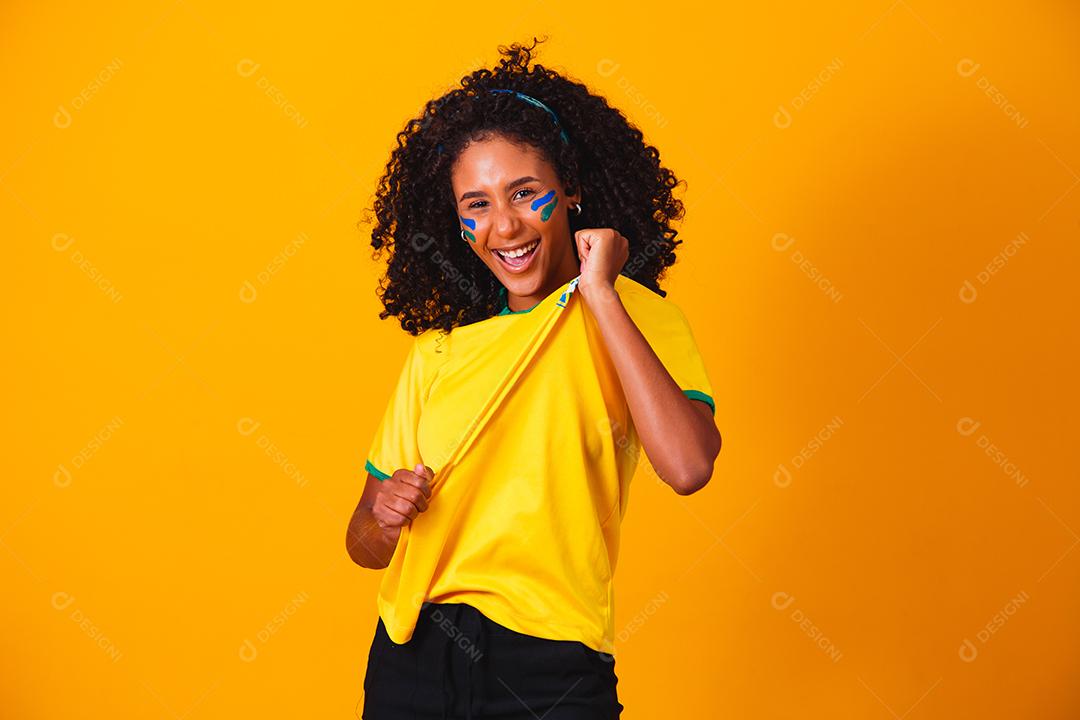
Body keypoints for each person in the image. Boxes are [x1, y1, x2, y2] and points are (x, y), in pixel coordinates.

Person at [346, 37, 722, 720]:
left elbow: (690, 464)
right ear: (457, 222)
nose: (506, 225)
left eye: (526, 193)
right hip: (410, 661)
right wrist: (385, 516)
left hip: (549, 663)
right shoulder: (440, 354)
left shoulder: (635, 318)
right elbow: (363, 544)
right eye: (478, 204)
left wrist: (601, 292)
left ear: (570, 188)